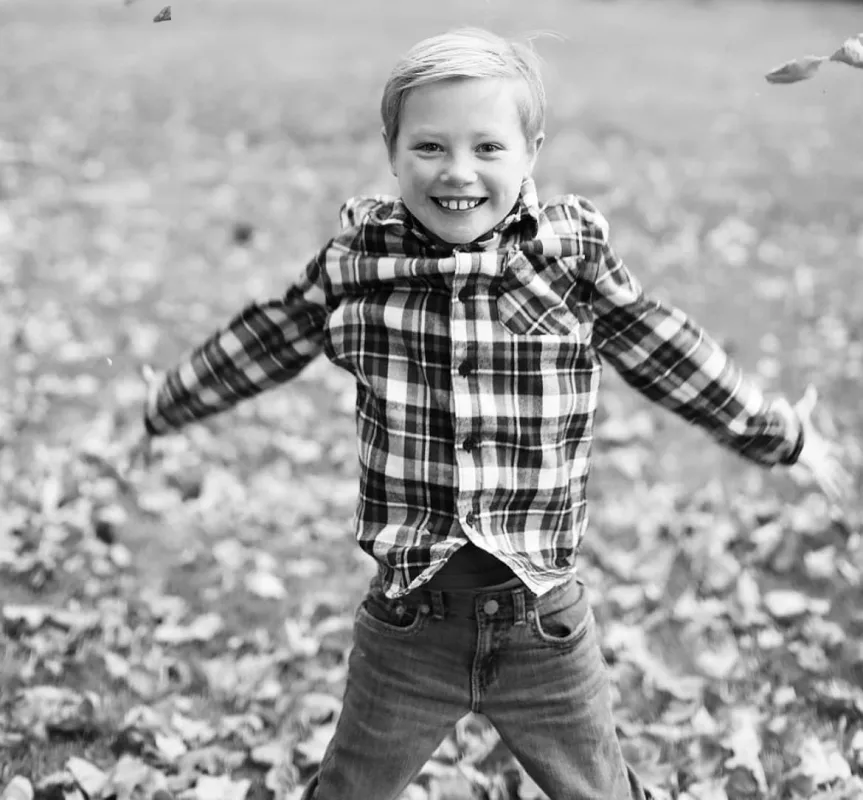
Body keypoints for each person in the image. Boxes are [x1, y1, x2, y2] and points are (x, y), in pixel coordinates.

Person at [121, 27, 851, 800]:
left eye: (488, 148)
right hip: (408, 627)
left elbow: (667, 352)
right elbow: (266, 339)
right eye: (430, 147)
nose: (458, 172)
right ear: (392, 149)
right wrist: (167, 402)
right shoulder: (359, 268)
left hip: (543, 624)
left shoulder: (567, 261)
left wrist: (781, 433)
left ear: (531, 151)